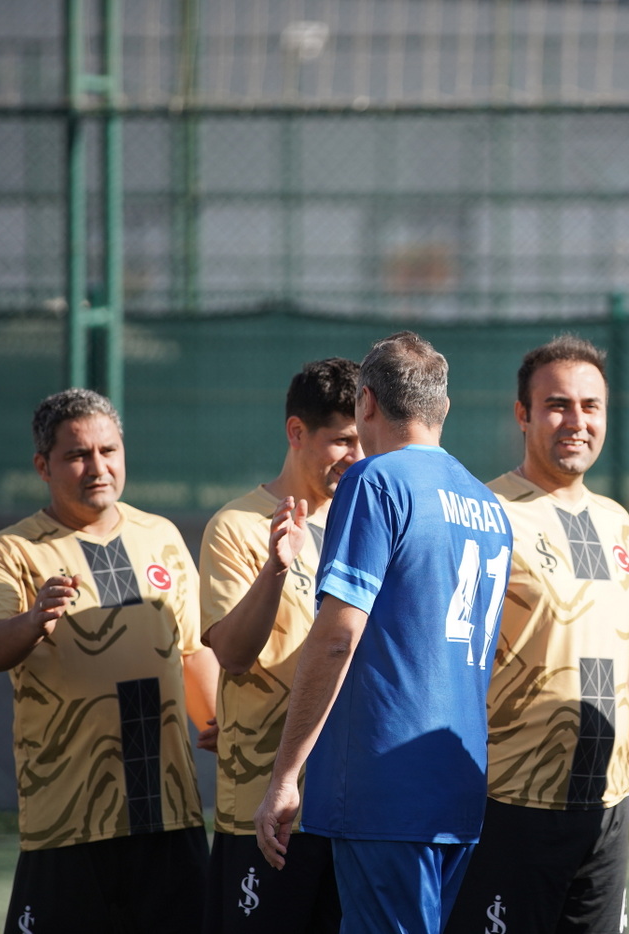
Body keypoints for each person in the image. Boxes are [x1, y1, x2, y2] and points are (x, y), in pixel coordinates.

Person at [253, 332, 512, 934]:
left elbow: (337, 637)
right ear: (442, 407)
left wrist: (286, 775)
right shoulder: (487, 503)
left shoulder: (375, 480)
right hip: (457, 782)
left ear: (366, 402)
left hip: (386, 786)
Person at [0, 387, 218, 934]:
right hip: (67, 822)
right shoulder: (13, 550)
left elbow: (192, 648)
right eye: (78, 454)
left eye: (108, 450)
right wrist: (32, 621)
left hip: (168, 812)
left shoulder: (161, 536)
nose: (98, 467)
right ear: (43, 466)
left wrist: (219, 723)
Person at [445, 335, 629, 934]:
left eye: (590, 406)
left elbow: (628, 653)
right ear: (522, 415)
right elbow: (448, 657)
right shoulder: (485, 515)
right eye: (557, 405)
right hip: (509, 805)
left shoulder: (615, 521)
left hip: (605, 808)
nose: (577, 421)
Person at [200, 358, 361, 933]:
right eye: (342, 440)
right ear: (297, 432)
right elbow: (233, 654)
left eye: (364, 441)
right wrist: (275, 566)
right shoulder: (237, 526)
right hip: (264, 812)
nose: (357, 456)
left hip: (352, 806)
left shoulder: (367, 523)